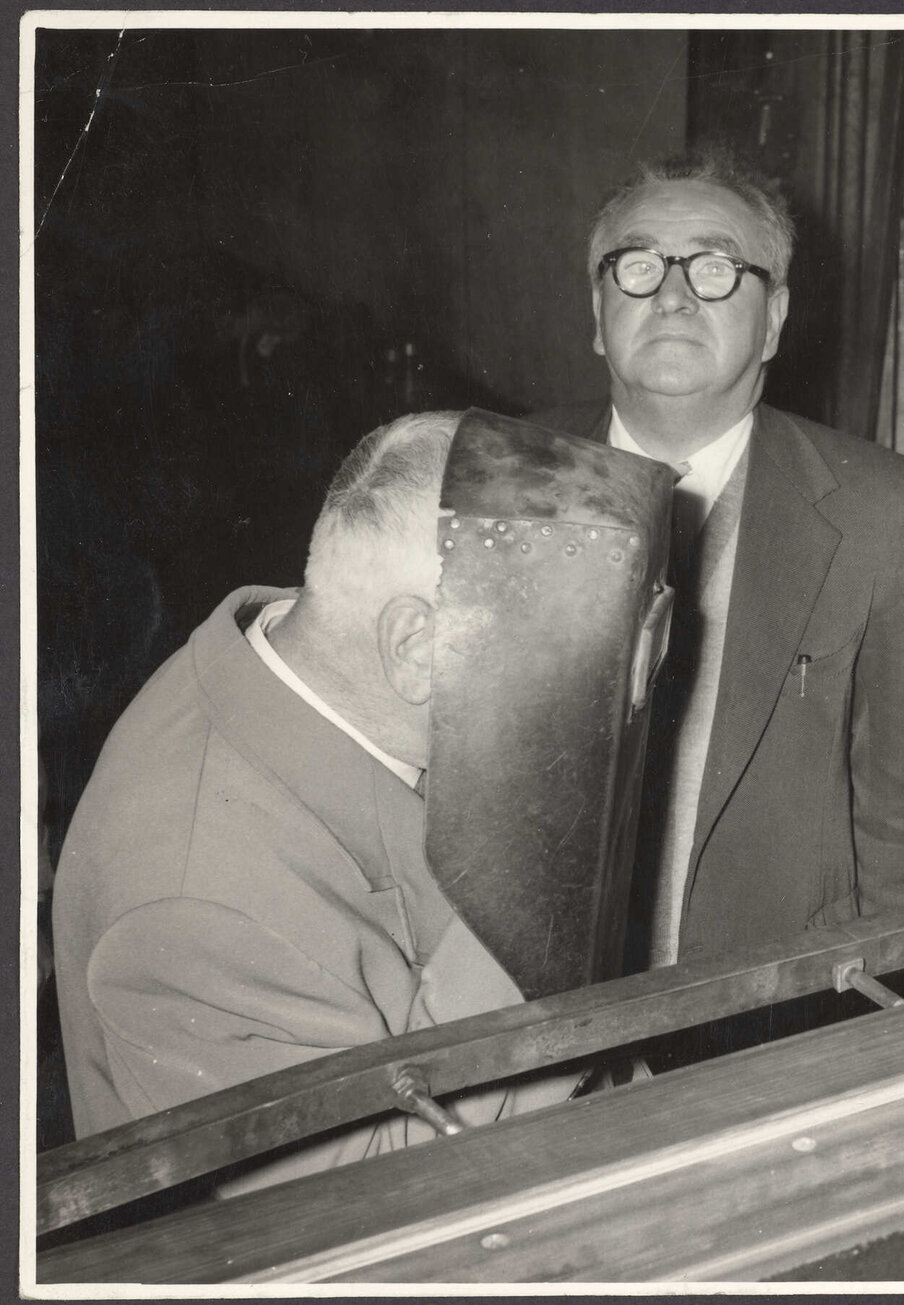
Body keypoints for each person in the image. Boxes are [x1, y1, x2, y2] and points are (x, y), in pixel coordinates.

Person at [52, 412, 576, 1192]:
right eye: (541, 649)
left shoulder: (320, 656)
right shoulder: (194, 904)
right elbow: (383, 1196)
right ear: (415, 646)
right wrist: (544, 864)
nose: (560, 689)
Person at [533, 150, 904, 968]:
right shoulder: (509, 475)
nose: (674, 294)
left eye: (716, 268)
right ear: (598, 311)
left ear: (775, 319)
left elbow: (901, 810)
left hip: (766, 999)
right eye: (640, 266)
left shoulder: (878, 508)